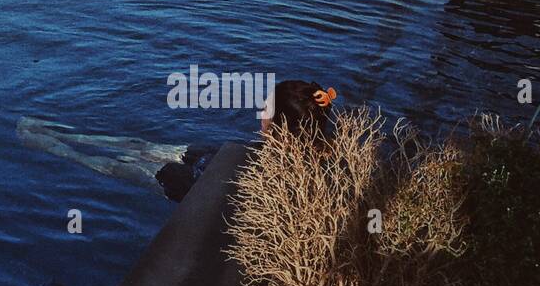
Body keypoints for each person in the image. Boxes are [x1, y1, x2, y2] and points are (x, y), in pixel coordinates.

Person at [17, 79, 339, 203]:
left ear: (281, 123)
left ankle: (50, 141)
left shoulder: (287, 169)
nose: (259, 111)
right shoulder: (311, 153)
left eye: (266, 107)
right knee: (134, 151)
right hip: (216, 161)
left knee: (122, 160)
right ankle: (56, 137)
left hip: (198, 179)